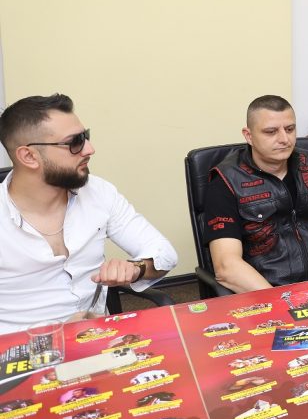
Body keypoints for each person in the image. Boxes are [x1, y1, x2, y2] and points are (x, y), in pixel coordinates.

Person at [0, 94, 177, 332]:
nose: (89, 149)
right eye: (75, 142)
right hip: (21, 349)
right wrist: (55, 333)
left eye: (86, 137)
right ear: (29, 156)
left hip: (97, 339)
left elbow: (165, 253)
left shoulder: (98, 192)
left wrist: (137, 269)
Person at [202, 95, 308, 292]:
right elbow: (226, 266)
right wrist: (279, 301)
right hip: (268, 290)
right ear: (248, 136)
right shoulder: (226, 180)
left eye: (290, 129)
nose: (284, 139)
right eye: (271, 132)